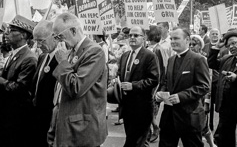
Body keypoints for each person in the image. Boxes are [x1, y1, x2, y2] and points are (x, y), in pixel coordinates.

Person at [52, 13, 108, 146]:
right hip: (69, 124)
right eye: (56, 37)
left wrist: (62, 62)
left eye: (60, 36)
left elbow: (76, 87)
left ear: (73, 30)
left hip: (83, 129)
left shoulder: (94, 52)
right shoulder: (72, 50)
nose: (59, 42)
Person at [156, 28, 210, 147]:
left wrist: (181, 96)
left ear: (187, 40)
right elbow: (166, 82)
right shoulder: (171, 60)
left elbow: (204, 86)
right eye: (171, 39)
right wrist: (161, 93)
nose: (173, 41)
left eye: (176, 38)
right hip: (169, 117)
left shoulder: (198, 59)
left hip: (189, 116)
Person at [118, 25, 160, 147]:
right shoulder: (125, 55)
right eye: (130, 35)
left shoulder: (149, 56)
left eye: (136, 35)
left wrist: (133, 86)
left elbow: (154, 79)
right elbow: (121, 75)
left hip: (142, 107)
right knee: (133, 140)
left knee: (136, 142)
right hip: (127, 107)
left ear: (144, 38)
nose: (132, 38)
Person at [0, 15, 38, 147]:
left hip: (17, 118)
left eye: (11, 30)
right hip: (8, 115)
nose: (7, 33)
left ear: (22, 35)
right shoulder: (14, 54)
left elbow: (20, 88)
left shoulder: (29, 58)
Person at [31, 20, 59, 147]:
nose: (38, 45)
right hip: (37, 116)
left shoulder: (62, 59)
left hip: (51, 118)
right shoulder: (42, 57)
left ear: (54, 36)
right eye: (36, 41)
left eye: (41, 40)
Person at [190, 34, 216, 147]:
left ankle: (211, 144)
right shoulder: (186, 58)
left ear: (200, 46)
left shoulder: (204, 59)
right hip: (188, 95)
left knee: (203, 124)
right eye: (189, 44)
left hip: (201, 97)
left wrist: (207, 101)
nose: (191, 46)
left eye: (194, 44)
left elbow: (208, 82)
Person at [146, 25, 166, 142]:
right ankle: (150, 130)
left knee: (151, 111)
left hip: (155, 86)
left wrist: (160, 87)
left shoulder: (158, 49)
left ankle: (155, 128)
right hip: (149, 84)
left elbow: (161, 69)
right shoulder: (149, 47)